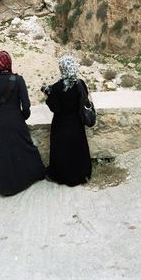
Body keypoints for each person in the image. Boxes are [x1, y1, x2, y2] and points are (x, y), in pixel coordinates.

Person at [0, 50, 45, 196]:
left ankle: (7, 188)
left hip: (1, 122)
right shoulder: (18, 80)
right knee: (26, 148)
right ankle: (35, 174)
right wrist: (23, 117)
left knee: (5, 155)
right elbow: (27, 106)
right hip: (17, 118)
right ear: (9, 63)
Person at [42, 55, 92, 186]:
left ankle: (63, 176)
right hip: (76, 123)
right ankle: (82, 173)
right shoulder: (80, 84)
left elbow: (55, 108)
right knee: (77, 149)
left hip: (61, 125)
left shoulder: (57, 87)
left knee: (62, 152)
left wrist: (47, 96)